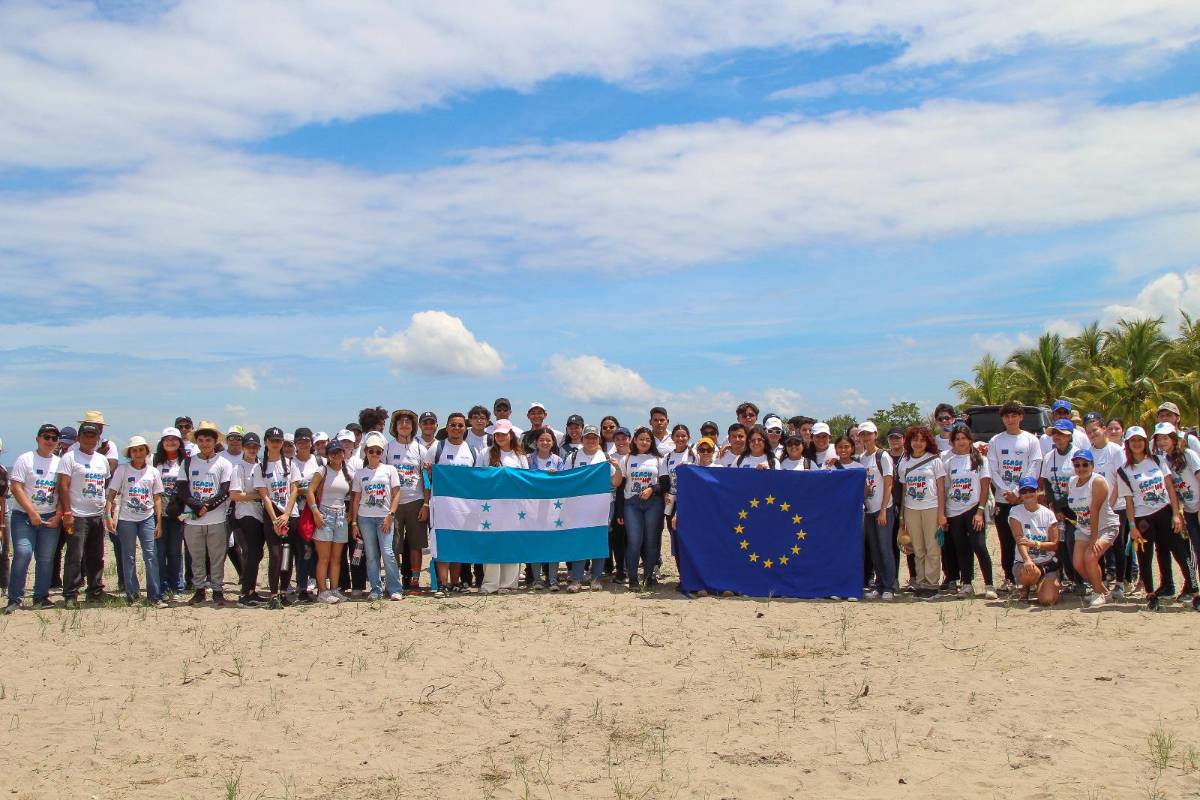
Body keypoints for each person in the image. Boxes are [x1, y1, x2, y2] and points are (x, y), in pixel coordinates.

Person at [1116, 426, 1191, 609]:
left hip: (1164, 512)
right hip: (1142, 519)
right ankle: (1150, 594)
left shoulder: (1157, 460)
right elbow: (1129, 501)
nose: (1137, 443)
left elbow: (1170, 488)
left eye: (1140, 440)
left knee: (1180, 551)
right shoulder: (1123, 470)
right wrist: (1132, 526)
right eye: (1133, 440)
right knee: (1145, 557)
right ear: (1128, 443)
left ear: (1145, 442)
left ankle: (1194, 589)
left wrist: (1176, 514)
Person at [4, 424, 63, 613]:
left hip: (50, 517)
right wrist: (31, 512)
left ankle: (41, 597)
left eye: (54, 438)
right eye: (46, 437)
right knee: (23, 553)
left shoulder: (60, 463)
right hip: (23, 516)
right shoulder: (25, 459)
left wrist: (58, 515)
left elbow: (64, 491)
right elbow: (16, 487)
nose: (50, 441)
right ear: (38, 439)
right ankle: (14, 598)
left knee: (46, 558)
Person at [175, 421, 234, 607]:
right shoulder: (188, 462)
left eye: (208, 440)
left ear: (215, 441)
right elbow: (182, 489)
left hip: (217, 519)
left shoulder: (224, 463)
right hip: (193, 521)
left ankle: (217, 590)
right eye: (201, 440)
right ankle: (199, 590)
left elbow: (225, 491)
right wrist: (196, 506)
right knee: (196, 558)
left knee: (217, 558)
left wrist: (206, 507)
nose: (204, 444)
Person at [987, 400, 1043, 591]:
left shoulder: (1031, 440)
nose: (1010, 420)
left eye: (1014, 416)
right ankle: (1009, 577)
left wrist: (1019, 491)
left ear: (1021, 417)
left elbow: (1034, 466)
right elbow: (993, 469)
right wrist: (1006, 491)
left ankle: (1032, 575)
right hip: (1003, 499)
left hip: (1025, 497)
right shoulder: (996, 441)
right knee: (1006, 539)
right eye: (1006, 416)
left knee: (1027, 537)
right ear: (1002, 419)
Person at [422, 412, 477, 597]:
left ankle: (455, 582)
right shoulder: (437, 448)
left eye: (460, 425)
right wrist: (426, 503)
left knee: (458, 543)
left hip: (463, 506)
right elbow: (425, 478)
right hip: (441, 506)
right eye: (453, 425)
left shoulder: (471, 451)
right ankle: (443, 584)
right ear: (447, 427)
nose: (456, 428)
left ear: (465, 428)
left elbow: (475, 479)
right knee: (442, 543)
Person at [106, 436, 166, 607]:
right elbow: (111, 495)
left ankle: (154, 596)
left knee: (151, 555)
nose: (138, 453)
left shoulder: (153, 472)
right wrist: (108, 517)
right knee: (129, 556)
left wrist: (159, 522)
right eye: (134, 450)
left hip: (147, 518)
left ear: (147, 452)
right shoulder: (122, 470)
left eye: (141, 450)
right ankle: (133, 595)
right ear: (130, 453)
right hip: (126, 519)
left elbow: (157, 498)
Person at [56, 419, 111, 605]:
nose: (89, 439)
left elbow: (105, 484)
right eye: (85, 435)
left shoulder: (102, 460)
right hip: (77, 515)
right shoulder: (69, 458)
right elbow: (63, 486)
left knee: (96, 555)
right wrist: (67, 513)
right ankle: (70, 594)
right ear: (78, 438)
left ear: (98, 438)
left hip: (96, 514)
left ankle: (95, 591)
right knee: (75, 556)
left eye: (93, 436)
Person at [567, 425, 623, 592]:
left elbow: (616, 482)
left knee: (599, 538)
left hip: (602, 504)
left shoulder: (605, 457)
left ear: (599, 439)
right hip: (578, 505)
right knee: (580, 539)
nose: (591, 440)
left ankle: (597, 577)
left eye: (594, 437)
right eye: (588, 437)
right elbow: (565, 479)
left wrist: (618, 467)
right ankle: (577, 578)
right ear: (582, 439)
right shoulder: (573, 457)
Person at [942, 425, 995, 599]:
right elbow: (946, 488)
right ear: (952, 442)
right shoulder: (949, 462)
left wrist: (980, 511)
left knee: (979, 545)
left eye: (964, 438)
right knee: (961, 548)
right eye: (957, 439)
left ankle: (989, 585)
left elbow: (985, 487)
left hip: (973, 508)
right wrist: (943, 513)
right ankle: (966, 584)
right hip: (954, 511)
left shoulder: (980, 460)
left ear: (970, 440)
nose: (961, 442)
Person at [477, 420, 530, 593]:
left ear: (511, 435)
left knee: (511, 542)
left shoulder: (520, 456)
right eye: (497, 434)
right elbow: (477, 476)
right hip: (491, 506)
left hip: (514, 507)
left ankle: (509, 583)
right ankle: (490, 583)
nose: (500, 437)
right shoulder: (485, 453)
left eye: (504, 434)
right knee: (491, 543)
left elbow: (526, 479)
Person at [352, 431, 403, 601]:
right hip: (365, 518)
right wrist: (354, 523)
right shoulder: (359, 473)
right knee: (371, 555)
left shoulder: (390, 470)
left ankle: (395, 588)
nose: (374, 454)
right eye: (371, 451)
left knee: (388, 552)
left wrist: (391, 515)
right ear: (366, 451)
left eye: (378, 451)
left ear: (382, 453)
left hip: (384, 517)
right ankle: (375, 589)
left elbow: (396, 494)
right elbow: (356, 499)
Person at [616, 428, 669, 591]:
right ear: (635, 440)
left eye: (648, 439)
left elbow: (665, 484)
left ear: (651, 442)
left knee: (651, 541)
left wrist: (652, 489)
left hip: (653, 503)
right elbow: (621, 487)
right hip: (632, 504)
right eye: (641, 439)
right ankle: (633, 578)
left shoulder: (659, 459)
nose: (644, 442)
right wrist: (619, 511)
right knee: (634, 541)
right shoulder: (626, 459)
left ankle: (648, 577)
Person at [1067, 450, 1121, 608]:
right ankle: (1102, 590)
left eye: (1085, 464)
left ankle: (1099, 593)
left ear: (1092, 465)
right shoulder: (1072, 482)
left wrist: (1094, 538)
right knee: (1078, 563)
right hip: (1083, 527)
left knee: (1090, 557)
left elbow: (1095, 510)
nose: (1081, 468)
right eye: (1077, 465)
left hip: (1105, 527)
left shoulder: (1097, 481)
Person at [897, 426, 946, 598]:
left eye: (922, 440)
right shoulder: (904, 462)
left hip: (931, 507)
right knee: (917, 548)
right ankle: (920, 581)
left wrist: (941, 513)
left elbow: (941, 488)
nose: (918, 443)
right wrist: (902, 515)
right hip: (911, 509)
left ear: (928, 442)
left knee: (932, 547)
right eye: (915, 439)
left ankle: (932, 584)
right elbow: (904, 490)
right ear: (909, 442)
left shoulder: (935, 460)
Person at [1153, 422, 1200, 598]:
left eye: (1165, 438)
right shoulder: (1165, 461)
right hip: (1189, 510)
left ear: (1173, 438)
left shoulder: (1188, 455)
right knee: (1195, 550)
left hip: (1198, 507)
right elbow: (1174, 489)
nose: (1162, 442)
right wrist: (1178, 511)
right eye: (1159, 439)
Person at [255, 427, 300, 606]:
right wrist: (275, 519)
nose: (276, 443)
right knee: (275, 555)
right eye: (272, 440)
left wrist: (287, 514)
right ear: (266, 442)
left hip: (290, 515)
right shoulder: (260, 466)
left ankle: (283, 592)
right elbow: (264, 495)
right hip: (271, 516)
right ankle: (273, 594)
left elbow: (294, 490)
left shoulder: (290, 464)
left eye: (279, 441)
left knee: (287, 555)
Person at [386, 409, 430, 593]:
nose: (404, 425)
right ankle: (394, 582)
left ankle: (414, 581)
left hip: (416, 500)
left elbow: (426, 478)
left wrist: (426, 504)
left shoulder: (421, 448)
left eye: (408, 422)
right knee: (393, 545)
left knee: (416, 544)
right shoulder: (388, 448)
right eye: (400, 422)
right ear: (395, 427)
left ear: (413, 427)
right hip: (393, 503)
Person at [307, 437, 354, 603]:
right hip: (324, 514)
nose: (336, 455)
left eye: (339, 452)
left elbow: (353, 495)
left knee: (337, 558)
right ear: (328, 455)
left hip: (340, 515)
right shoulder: (322, 471)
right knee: (324, 558)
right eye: (332, 453)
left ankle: (334, 589)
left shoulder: (347, 472)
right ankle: (322, 591)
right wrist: (315, 512)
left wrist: (350, 513)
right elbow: (310, 491)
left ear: (343, 453)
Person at [855, 422, 896, 600]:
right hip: (869, 509)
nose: (866, 437)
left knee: (885, 548)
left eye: (869, 434)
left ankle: (889, 586)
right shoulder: (861, 458)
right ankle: (879, 585)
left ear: (876, 434)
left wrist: (884, 510)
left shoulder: (883, 456)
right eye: (862, 434)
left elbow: (889, 484)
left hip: (883, 508)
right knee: (875, 549)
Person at [228, 431, 267, 608]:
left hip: (260, 513)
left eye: (255, 447)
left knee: (257, 554)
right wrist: (258, 495)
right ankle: (245, 593)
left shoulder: (261, 466)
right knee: (252, 553)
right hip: (245, 514)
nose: (252, 450)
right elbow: (235, 495)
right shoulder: (239, 468)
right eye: (248, 446)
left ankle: (251, 591)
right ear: (243, 448)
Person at [1011, 476, 1061, 605]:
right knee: (1031, 571)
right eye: (1024, 491)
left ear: (1037, 491)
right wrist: (1027, 560)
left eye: (1031, 490)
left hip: (1047, 562)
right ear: (1020, 494)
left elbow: (1054, 544)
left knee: (1047, 600)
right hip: (1024, 563)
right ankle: (1025, 588)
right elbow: (1020, 540)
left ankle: (1042, 585)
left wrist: (1034, 544)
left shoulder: (1048, 514)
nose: (1028, 494)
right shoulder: (1015, 511)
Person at [526, 427, 563, 590]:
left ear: (553, 442)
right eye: (542, 440)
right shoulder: (527, 459)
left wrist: (557, 476)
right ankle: (537, 579)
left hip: (553, 508)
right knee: (535, 542)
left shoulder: (558, 460)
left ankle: (553, 579)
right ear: (536, 442)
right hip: (533, 507)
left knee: (553, 542)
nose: (545, 442)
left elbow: (565, 482)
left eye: (548, 440)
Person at [289, 428, 322, 600]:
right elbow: (290, 489)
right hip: (297, 511)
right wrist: (308, 490)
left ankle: (317, 584)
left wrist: (305, 490)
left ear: (311, 443)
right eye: (300, 442)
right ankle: (302, 586)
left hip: (316, 511)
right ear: (295, 444)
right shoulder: (289, 463)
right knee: (301, 550)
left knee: (317, 550)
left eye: (306, 441)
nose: (303, 444)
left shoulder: (320, 461)